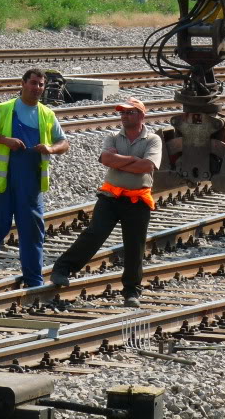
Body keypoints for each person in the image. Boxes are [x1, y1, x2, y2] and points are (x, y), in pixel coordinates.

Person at [50, 97, 162, 308]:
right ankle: (62, 269)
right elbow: (106, 160)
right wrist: (131, 161)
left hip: (137, 199)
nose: (124, 116)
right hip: (110, 196)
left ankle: (131, 292)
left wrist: (119, 160)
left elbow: (147, 166)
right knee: (94, 233)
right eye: (122, 113)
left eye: (129, 112)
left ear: (141, 115)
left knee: (134, 246)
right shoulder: (112, 136)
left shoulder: (153, 140)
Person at [0, 68, 69, 288]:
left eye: (41, 85)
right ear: (23, 83)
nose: (37, 88)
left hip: (31, 186)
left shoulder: (47, 114)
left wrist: (51, 149)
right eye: (34, 83)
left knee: (33, 234)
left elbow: (64, 143)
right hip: (3, 185)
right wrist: (5, 140)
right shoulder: (5, 109)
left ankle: (34, 282)